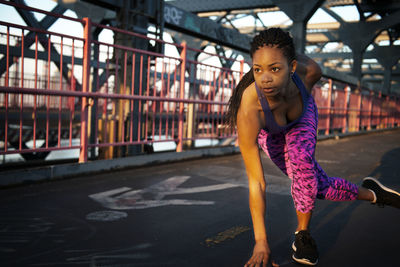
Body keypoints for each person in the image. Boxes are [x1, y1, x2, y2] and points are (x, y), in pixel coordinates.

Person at [226, 28, 400, 267]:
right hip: (272, 132)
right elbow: (256, 182)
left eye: (275, 68)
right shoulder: (250, 109)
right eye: (258, 70)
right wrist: (261, 242)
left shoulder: (311, 72)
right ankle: (373, 193)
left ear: (293, 67)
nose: (265, 78)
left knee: (302, 165)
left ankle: (302, 234)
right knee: (313, 186)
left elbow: (296, 60)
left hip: (302, 114)